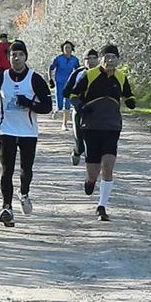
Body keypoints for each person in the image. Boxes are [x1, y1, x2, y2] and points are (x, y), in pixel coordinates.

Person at [0, 40, 52, 227]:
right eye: (13, 55)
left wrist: (28, 103)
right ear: (9, 58)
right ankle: (7, 208)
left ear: (26, 57)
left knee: (26, 171)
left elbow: (47, 107)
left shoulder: (35, 79)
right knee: (7, 170)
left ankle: (24, 192)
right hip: (6, 130)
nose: (16, 58)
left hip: (28, 131)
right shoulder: (2, 78)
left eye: (20, 55)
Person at [70, 44, 135, 221]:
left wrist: (130, 101)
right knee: (93, 171)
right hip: (91, 126)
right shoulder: (89, 75)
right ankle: (90, 181)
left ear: (118, 60)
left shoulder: (121, 77)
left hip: (112, 126)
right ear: (101, 59)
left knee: (107, 167)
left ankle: (102, 206)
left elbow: (129, 94)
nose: (110, 60)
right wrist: (79, 105)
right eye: (107, 57)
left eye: (113, 57)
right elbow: (72, 93)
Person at [63, 48, 99, 166]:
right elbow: (66, 91)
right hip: (80, 110)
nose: (91, 61)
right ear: (84, 61)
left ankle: (94, 162)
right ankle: (77, 151)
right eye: (88, 59)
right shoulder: (78, 73)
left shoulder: (103, 73)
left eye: (94, 58)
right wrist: (77, 103)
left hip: (97, 112)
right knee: (79, 139)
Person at [48, 41, 80, 131]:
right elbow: (51, 68)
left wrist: (78, 82)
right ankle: (57, 109)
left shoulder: (75, 60)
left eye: (69, 48)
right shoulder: (58, 59)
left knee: (67, 104)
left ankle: (64, 124)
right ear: (62, 49)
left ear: (72, 49)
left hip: (70, 83)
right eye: (65, 48)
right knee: (60, 104)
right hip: (59, 82)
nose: (67, 50)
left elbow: (78, 70)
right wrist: (50, 79)